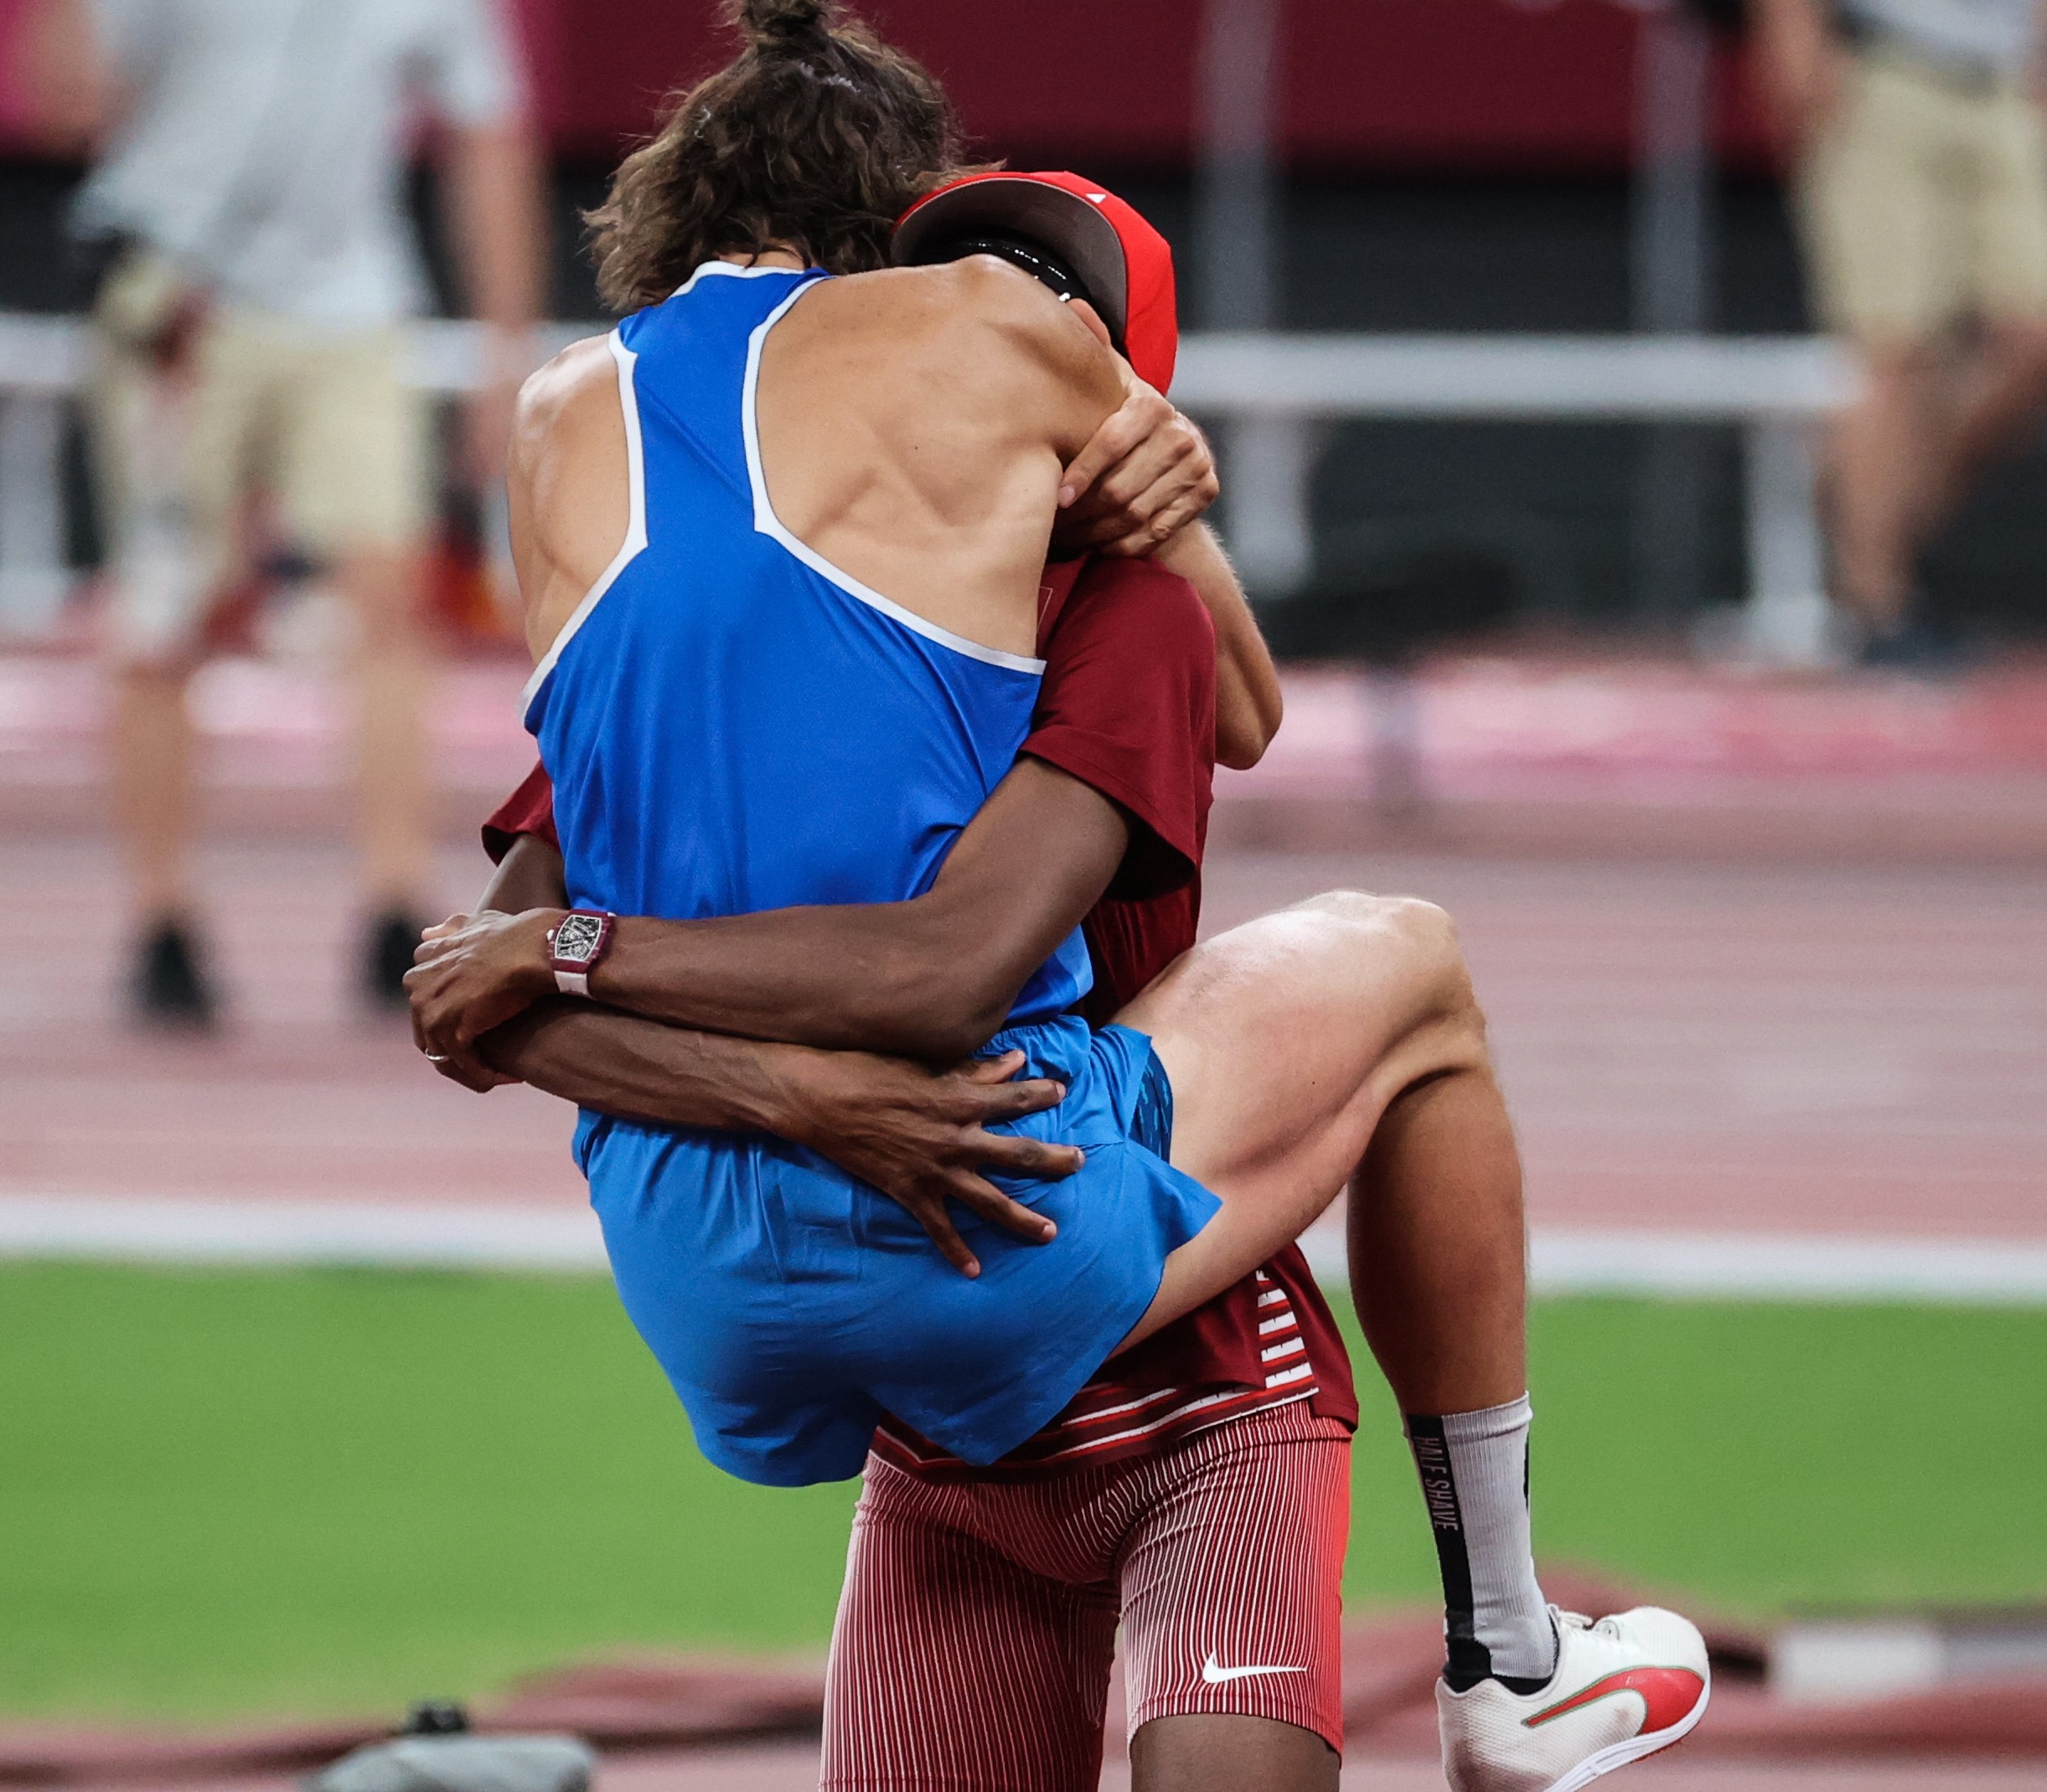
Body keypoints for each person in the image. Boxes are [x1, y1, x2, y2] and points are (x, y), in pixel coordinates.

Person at [411, 10, 1709, 1781]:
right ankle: (1509, 1640)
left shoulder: (671, 513)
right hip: (1007, 1270)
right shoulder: (1006, 572)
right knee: (1413, 967)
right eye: (981, 289)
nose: (996, 333)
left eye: (1053, 312)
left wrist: (593, 970)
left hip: (930, 1336)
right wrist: (1173, 503)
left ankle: (1508, 1640)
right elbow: (921, 964)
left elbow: (503, 990)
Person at [19, 0, 545, 1023]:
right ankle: (162, 918)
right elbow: (65, 104)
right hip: (177, 301)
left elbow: (490, 128)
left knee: (391, 597)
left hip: (350, 306)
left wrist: (504, 344)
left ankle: (396, 903)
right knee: (166, 613)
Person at [1752, 0, 2047, 662]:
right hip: (1884, 67)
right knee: (1897, 349)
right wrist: (1793, 33)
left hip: (2002, 77)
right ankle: (1875, 602)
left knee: (2034, 335)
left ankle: (1866, 519)